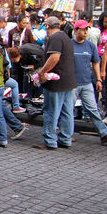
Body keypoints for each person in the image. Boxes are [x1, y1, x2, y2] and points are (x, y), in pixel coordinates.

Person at [32, 17, 77, 150]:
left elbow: (54, 57)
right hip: (68, 80)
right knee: (66, 111)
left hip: (56, 81)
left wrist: (42, 72)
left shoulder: (55, 38)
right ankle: (65, 138)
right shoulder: (65, 37)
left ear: (47, 26)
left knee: (52, 111)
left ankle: (50, 140)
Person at [71, 20, 107, 146]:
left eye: (87, 29)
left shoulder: (90, 46)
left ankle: (104, 133)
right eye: (82, 29)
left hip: (86, 83)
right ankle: (67, 134)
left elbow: (96, 63)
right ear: (75, 31)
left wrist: (98, 79)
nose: (85, 32)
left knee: (93, 109)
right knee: (68, 109)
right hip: (72, 83)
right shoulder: (69, 45)